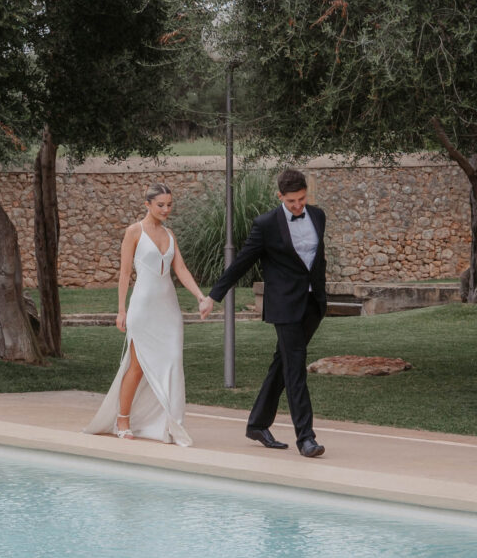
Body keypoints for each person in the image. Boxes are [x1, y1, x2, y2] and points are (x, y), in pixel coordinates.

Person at [206, 164, 328, 456]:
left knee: (283, 363)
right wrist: (214, 295)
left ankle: (257, 424)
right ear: (279, 196)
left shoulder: (318, 216)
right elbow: (243, 262)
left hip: (313, 304)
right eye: (291, 201)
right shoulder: (266, 224)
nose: (298, 206)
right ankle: (306, 438)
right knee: (295, 366)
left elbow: (316, 259)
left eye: (302, 199)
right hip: (284, 306)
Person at [86, 180, 214, 447]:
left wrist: (201, 296)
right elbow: (124, 273)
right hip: (143, 308)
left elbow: (181, 270)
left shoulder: (170, 235)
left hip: (169, 310)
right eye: (160, 205)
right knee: (137, 366)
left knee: (173, 361)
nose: (166, 210)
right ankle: (122, 420)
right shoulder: (134, 231)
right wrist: (121, 310)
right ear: (147, 204)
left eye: (169, 205)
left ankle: (172, 424)